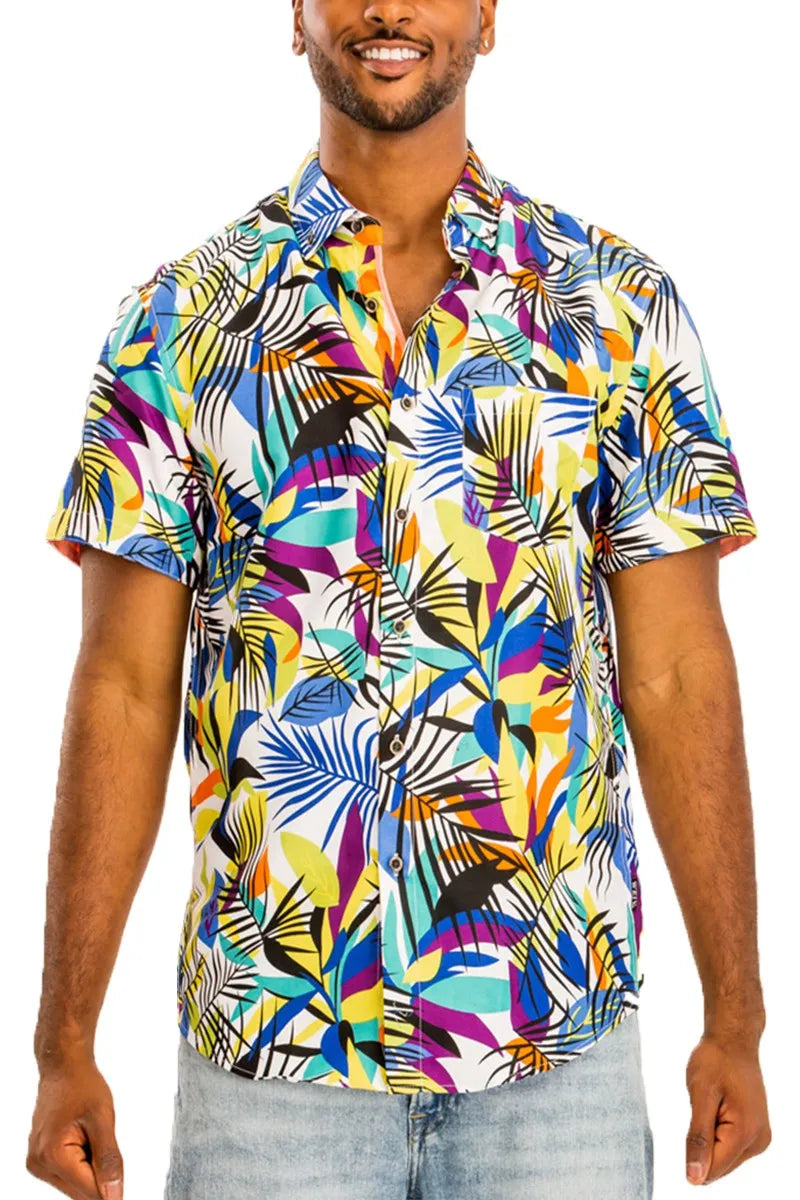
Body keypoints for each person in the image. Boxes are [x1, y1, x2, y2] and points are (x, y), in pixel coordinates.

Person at [28, 2, 771, 1198]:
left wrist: (735, 1013)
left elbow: (678, 670)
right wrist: (63, 1041)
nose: (386, 9)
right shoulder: (178, 321)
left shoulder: (613, 305)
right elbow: (121, 685)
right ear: (295, 16)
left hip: (554, 1050)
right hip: (270, 1062)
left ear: (486, 15)